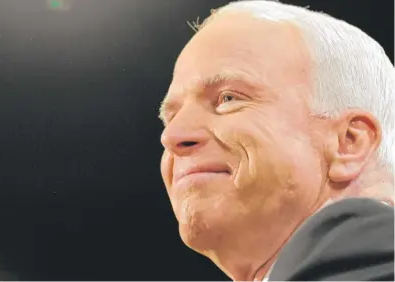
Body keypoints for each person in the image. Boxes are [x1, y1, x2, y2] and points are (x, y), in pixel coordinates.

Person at [158, 0, 394, 281]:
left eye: (228, 99)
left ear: (349, 142)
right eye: (170, 118)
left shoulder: (373, 261)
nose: (171, 136)